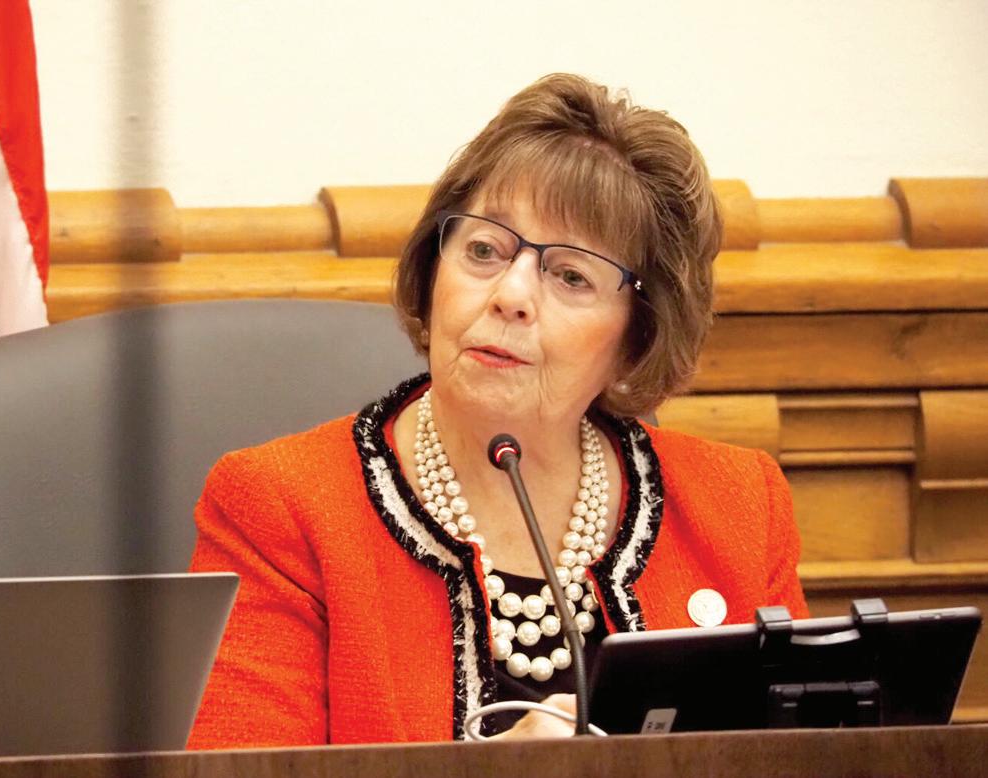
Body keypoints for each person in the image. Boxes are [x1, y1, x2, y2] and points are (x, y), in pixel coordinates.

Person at [186, 73, 809, 748]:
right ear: (434, 270)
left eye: (570, 275)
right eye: (484, 250)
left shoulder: (740, 507)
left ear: (637, 336)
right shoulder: (280, 508)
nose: (511, 294)